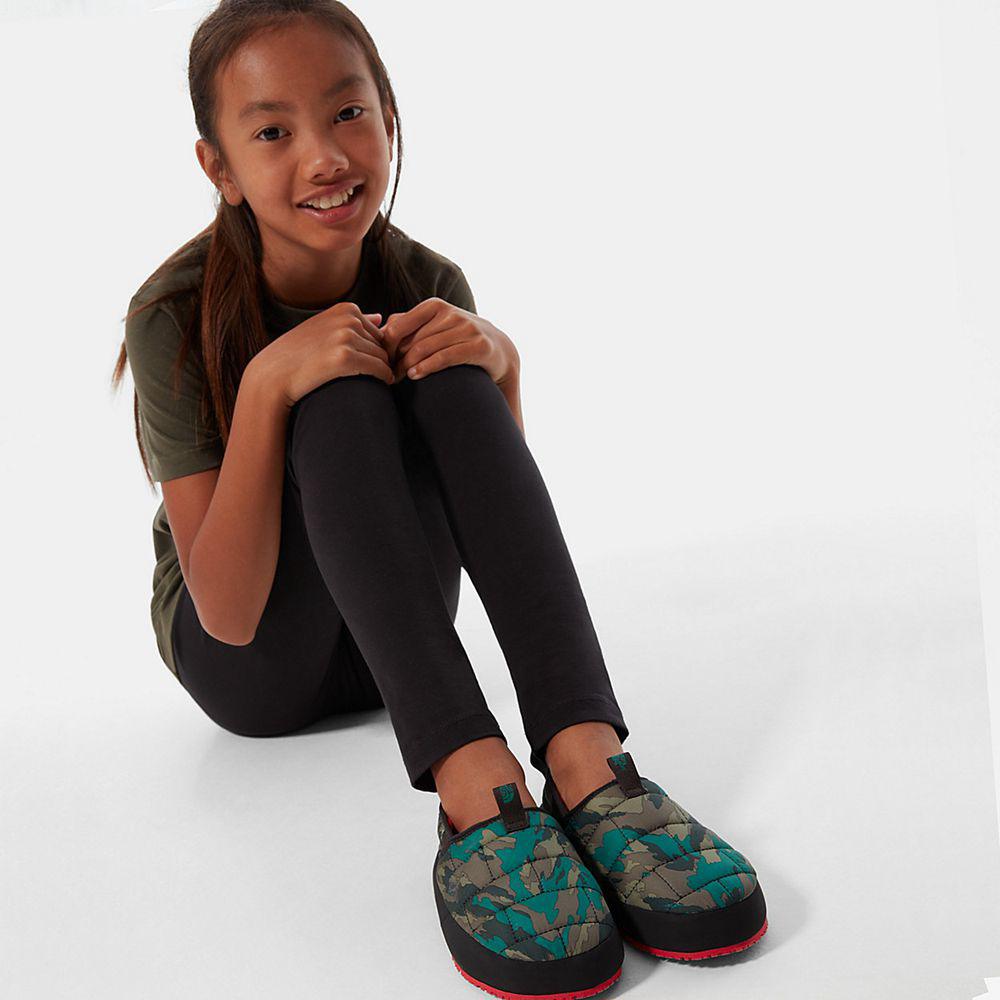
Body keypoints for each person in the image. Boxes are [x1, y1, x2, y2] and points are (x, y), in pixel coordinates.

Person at [110, 2, 768, 995]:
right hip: (254, 664)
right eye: (273, 132)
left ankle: (587, 761)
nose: (325, 156)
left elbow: (489, 519)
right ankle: (475, 784)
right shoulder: (172, 312)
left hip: (398, 648)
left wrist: (502, 365)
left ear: (389, 118)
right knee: (335, 391)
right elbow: (229, 615)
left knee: (450, 360)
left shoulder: (425, 277)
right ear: (220, 167)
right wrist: (269, 385)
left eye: (349, 113)